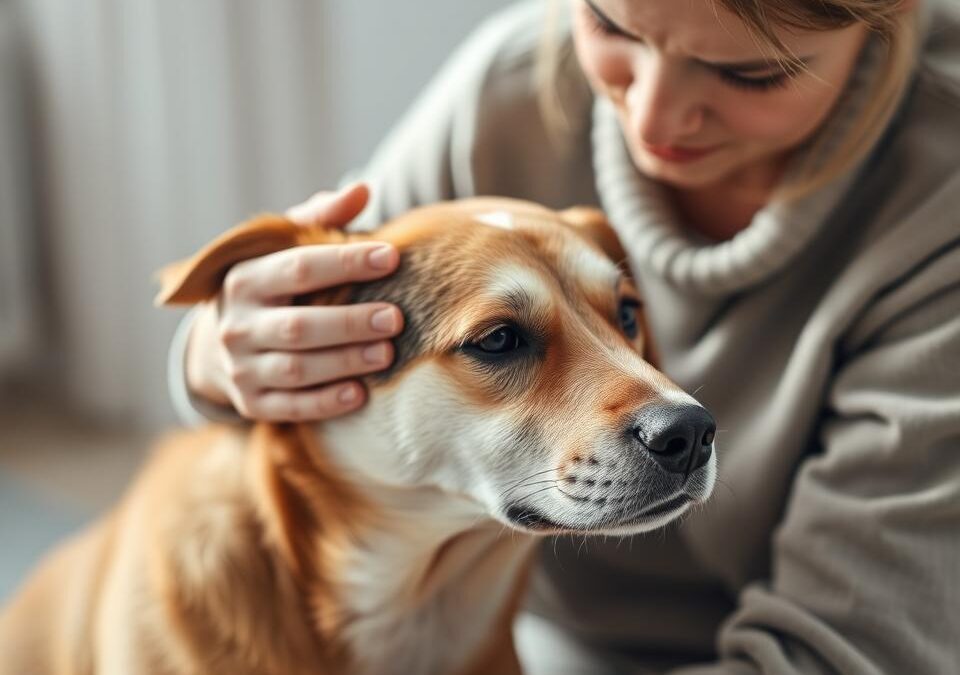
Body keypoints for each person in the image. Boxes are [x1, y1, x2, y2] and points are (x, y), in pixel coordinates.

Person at [168, 0, 960, 672]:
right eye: (614, 25)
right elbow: (323, 307)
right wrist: (222, 354)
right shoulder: (513, 88)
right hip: (536, 633)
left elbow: (858, 648)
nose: (649, 116)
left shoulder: (940, 193)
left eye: (749, 73)